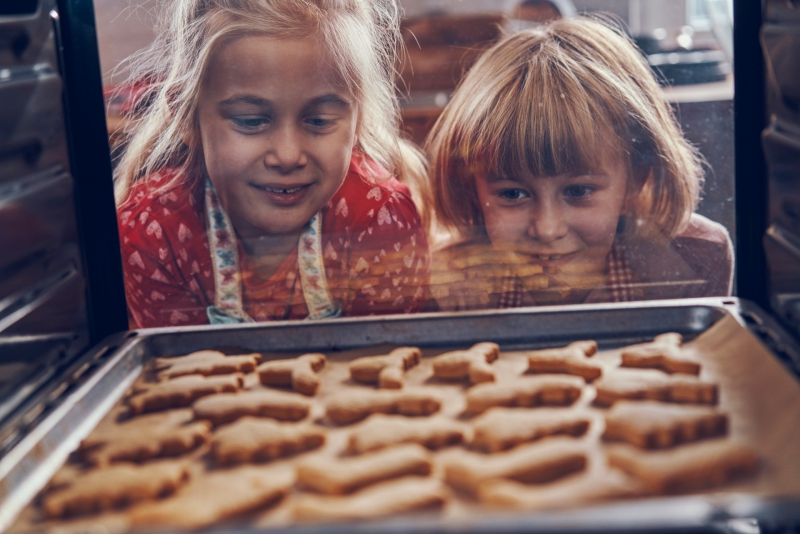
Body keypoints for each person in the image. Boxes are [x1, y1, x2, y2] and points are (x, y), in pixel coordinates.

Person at [114, 0, 430, 327]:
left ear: (358, 117)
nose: (288, 155)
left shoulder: (380, 219)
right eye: (251, 121)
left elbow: (382, 361)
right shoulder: (152, 233)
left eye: (319, 121)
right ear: (187, 117)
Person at [425, 16, 733, 311]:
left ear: (635, 180)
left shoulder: (694, 260)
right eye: (512, 194)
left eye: (578, 191)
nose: (546, 229)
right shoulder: (445, 280)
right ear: (470, 187)